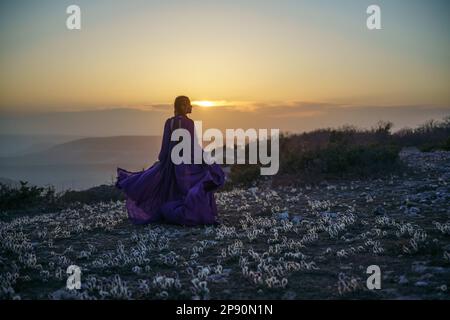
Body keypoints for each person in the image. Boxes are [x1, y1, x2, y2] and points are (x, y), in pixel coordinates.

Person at [116, 96, 225, 226]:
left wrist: (163, 164)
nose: (191, 107)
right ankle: (195, 214)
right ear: (183, 106)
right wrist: (206, 160)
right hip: (186, 163)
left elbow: (164, 148)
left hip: (172, 164)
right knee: (202, 179)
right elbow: (193, 145)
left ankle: (175, 212)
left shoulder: (169, 122)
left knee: (176, 191)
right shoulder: (188, 123)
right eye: (189, 104)